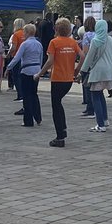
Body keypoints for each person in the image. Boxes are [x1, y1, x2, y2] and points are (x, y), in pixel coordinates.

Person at [36, 17, 81, 148]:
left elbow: (50, 61)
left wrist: (39, 73)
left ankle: (60, 137)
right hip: (68, 79)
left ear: (56, 29)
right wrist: (76, 71)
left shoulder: (54, 42)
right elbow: (82, 56)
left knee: (55, 106)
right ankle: (63, 129)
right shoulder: (72, 42)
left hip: (57, 79)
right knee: (59, 103)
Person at [79, 19, 112, 133]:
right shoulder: (110, 39)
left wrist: (82, 71)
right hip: (109, 70)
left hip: (97, 71)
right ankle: (105, 120)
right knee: (101, 95)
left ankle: (100, 124)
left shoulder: (95, 41)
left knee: (95, 96)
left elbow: (89, 57)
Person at [6, 23, 43, 127]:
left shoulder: (25, 44)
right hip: (36, 70)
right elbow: (40, 58)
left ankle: (28, 121)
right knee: (34, 94)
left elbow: (17, 58)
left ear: (26, 33)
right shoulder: (39, 44)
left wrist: (8, 67)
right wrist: (40, 70)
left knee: (26, 96)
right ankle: (38, 117)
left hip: (26, 70)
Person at [7, 18, 25, 95]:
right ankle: (23, 93)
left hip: (16, 57)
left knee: (16, 76)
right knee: (22, 76)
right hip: (24, 57)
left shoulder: (16, 34)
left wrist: (8, 54)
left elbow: (13, 47)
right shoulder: (25, 33)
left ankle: (19, 94)